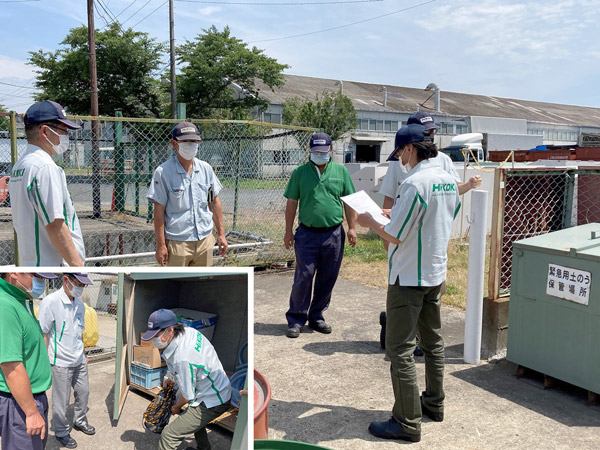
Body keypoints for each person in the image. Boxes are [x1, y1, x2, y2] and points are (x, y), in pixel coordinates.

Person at [357, 124, 461, 442]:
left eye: (401, 152)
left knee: (400, 348)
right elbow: (438, 217)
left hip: (408, 277)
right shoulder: (448, 181)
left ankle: (406, 421)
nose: (400, 159)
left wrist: (370, 221)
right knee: (433, 342)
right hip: (435, 272)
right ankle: (434, 404)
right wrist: (395, 211)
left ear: (411, 149)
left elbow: (395, 234)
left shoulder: (415, 183)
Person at [378, 112, 482, 352]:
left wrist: (468, 186)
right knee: (405, 290)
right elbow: (390, 194)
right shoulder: (400, 158)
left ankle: (408, 333)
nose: (430, 136)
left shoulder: (443, 160)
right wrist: (386, 229)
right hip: (404, 236)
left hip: (430, 237)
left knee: (430, 291)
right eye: (426, 132)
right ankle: (401, 330)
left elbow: (451, 194)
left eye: (432, 131)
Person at [283, 132, 357, 338]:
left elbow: (350, 201)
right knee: (303, 277)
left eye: (323, 152)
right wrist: (288, 231)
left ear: (331, 151)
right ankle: (296, 318)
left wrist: (352, 227)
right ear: (309, 152)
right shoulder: (300, 173)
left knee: (327, 277)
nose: (320, 155)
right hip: (307, 235)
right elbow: (291, 203)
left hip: (333, 234)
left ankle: (317, 316)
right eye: (315, 152)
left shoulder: (340, 172)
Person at [141, 309, 232, 450]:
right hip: (216, 387)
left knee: (169, 435)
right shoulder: (187, 331)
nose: (154, 339)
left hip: (214, 400)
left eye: (157, 334)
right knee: (190, 418)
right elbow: (185, 368)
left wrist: (176, 408)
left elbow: (187, 396)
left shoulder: (182, 358)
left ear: (170, 330)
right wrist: (170, 377)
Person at [8, 101, 85, 266]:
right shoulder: (45, 167)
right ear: (45, 131)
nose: (66, 135)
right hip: (52, 267)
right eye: (63, 130)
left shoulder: (20, 165)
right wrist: (77, 267)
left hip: (31, 262)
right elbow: (55, 224)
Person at [147, 122, 228, 267]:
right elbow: (159, 210)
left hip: (204, 241)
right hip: (177, 243)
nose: (190, 145)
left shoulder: (206, 169)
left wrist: (221, 234)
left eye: (194, 141)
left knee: (201, 284)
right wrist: (161, 245)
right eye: (185, 141)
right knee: (176, 285)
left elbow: (214, 202)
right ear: (174, 143)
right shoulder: (163, 172)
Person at [0, 272, 58, 450]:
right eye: (37, 277)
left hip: (30, 398)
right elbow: (11, 366)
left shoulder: (20, 300)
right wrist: (31, 412)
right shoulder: (5, 306)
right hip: (20, 403)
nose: (42, 282)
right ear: (14, 273)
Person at [38, 273, 94, 449]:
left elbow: (79, 333)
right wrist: (44, 361)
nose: (80, 288)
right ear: (65, 280)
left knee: (83, 393)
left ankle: (80, 420)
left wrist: (83, 354)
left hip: (79, 360)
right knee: (61, 401)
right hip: (60, 361)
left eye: (83, 285)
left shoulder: (80, 305)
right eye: (78, 283)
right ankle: (61, 431)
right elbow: (44, 332)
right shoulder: (51, 302)